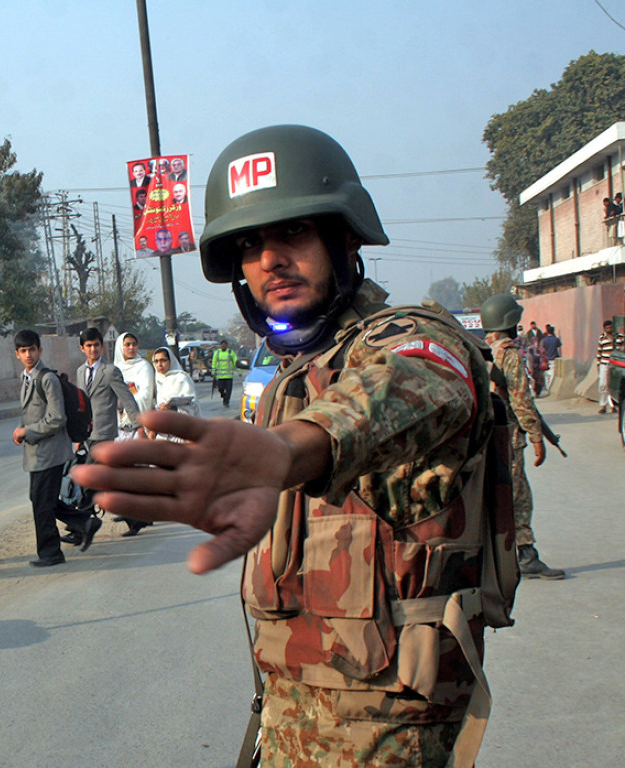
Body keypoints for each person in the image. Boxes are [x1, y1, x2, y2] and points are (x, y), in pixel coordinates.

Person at [74, 125, 497, 767]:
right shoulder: (285, 372)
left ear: (343, 236)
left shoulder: (413, 338)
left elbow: (417, 383)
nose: (269, 259)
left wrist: (291, 449)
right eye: (249, 244)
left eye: (292, 233)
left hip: (386, 731)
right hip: (289, 709)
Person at [481, 295, 564, 580]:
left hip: (488, 433)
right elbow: (520, 400)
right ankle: (526, 555)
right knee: (518, 495)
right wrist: (536, 436)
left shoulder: (485, 350)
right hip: (509, 434)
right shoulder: (510, 354)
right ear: (511, 322)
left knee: (493, 493)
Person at [11, 329, 101, 565]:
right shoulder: (27, 378)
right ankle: (85, 522)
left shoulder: (47, 379)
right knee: (41, 499)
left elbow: (56, 418)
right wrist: (22, 429)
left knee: (42, 503)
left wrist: (27, 432)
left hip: (50, 451)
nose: (28, 354)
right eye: (23, 351)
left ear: (40, 350)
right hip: (38, 452)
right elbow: (33, 413)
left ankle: (50, 553)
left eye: (32, 349)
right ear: (17, 354)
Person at [75, 328, 144, 536]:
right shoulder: (80, 372)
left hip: (105, 433)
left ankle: (81, 526)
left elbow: (127, 398)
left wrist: (139, 425)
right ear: (82, 348)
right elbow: (80, 405)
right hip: (88, 434)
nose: (93, 349)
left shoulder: (110, 371)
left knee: (87, 478)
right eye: (88, 346)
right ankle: (136, 517)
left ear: (102, 346)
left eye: (96, 345)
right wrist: (78, 436)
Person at [151, 347, 201, 442]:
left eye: (163, 360)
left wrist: (173, 408)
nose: (159, 364)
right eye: (156, 361)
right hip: (163, 434)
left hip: (181, 433)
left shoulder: (181, 379)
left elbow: (193, 405)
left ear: (171, 361)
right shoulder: (157, 380)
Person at [113, 331, 155, 437]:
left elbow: (146, 396)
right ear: (120, 347)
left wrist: (126, 404)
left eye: (134, 344)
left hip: (139, 428)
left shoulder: (144, 367)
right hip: (118, 428)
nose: (131, 348)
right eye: (127, 345)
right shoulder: (115, 369)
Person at [210, 338, 238, 407]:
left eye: (225, 345)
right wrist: (213, 372)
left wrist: (239, 371)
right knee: (220, 389)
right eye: (222, 345)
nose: (223, 346)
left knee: (228, 391)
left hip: (229, 376)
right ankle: (224, 396)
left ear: (227, 345)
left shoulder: (230, 352)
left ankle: (226, 402)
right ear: (220, 345)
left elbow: (236, 362)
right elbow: (214, 362)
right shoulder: (217, 353)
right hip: (220, 376)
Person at [597, 319, 616, 414]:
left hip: (614, 365)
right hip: (604, 364)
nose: (610, 329)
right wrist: (598, 365)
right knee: (603, 385)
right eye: (608, 328)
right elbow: (599, 353)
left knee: (612, 385)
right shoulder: (602, 338)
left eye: (611, 327)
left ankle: (613, 405)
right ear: (604, 328)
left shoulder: (618, 337)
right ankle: (603, 405)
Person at [541, 324, 561, 392]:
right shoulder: (556, 339)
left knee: (546, 374)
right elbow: (559, 345)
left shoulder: (544, 340)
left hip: (545, 359)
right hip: (554, 358)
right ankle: (551, 388)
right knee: (552, 373)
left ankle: (548, 387)